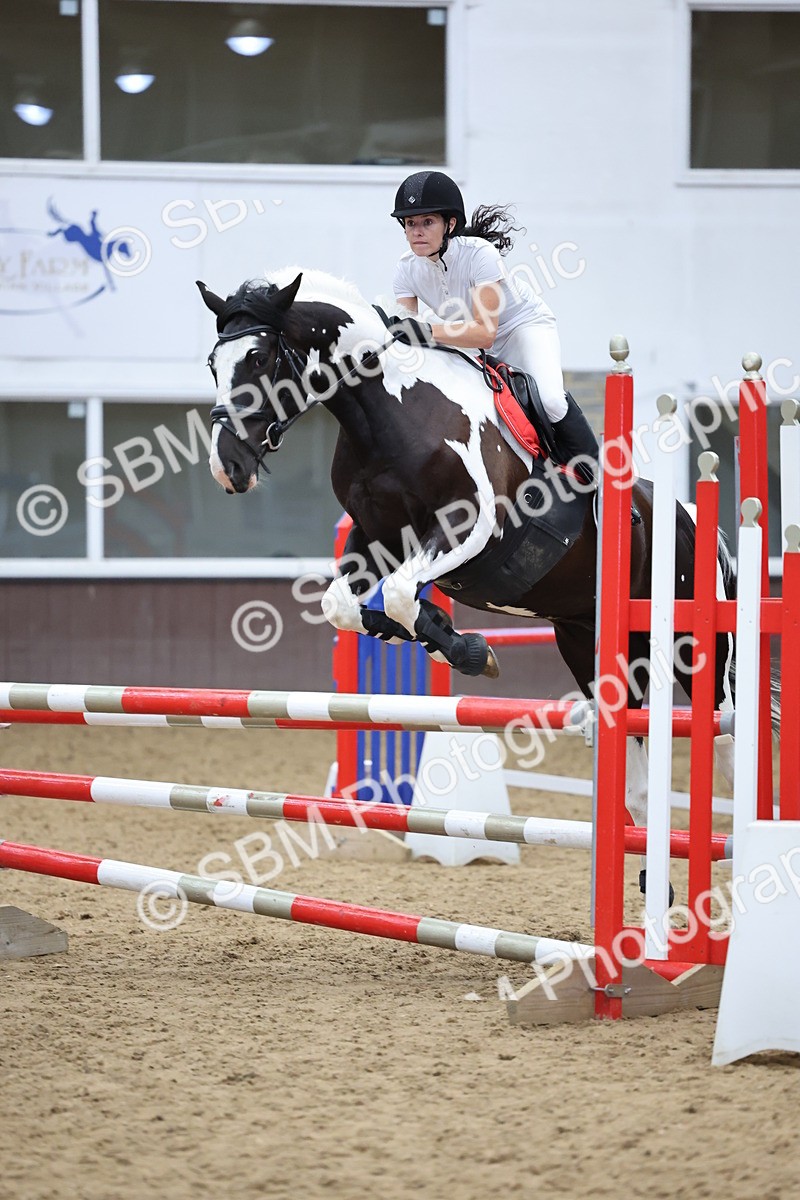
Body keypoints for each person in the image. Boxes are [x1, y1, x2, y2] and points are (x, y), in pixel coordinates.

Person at [389, 170, 598, 480]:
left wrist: (427, 332)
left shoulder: (480, 255)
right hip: (466, 340)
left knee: (551, 400)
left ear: (450, 224)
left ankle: (605, 484)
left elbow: (485, 334)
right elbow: (407, 334)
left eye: (427, 222)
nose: (417, 231)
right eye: (410, 224)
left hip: (520, 328)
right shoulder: (406, 270)